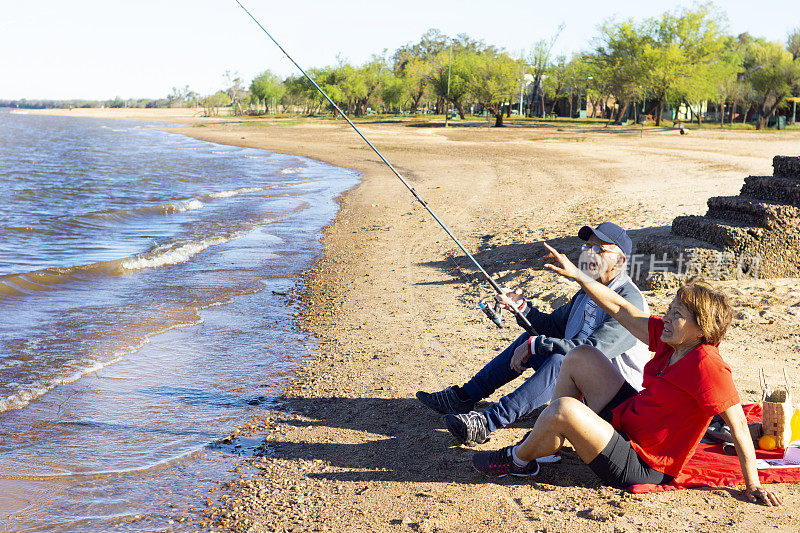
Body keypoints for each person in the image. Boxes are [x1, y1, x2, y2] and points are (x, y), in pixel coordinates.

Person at [471, 242, 783, 507]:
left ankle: (518, 461)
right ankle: (550, 440)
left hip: (643, 464)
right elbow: (622, 310)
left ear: (701, 329)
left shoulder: (708, 365)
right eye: (670, 309)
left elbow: (739, 425)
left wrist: (752, 484)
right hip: (627, 424)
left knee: (565, 409)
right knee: (581, 356)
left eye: (678, 315)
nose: (668, 317)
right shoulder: (671, 339)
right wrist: (578, 275)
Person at [416, 222, 650, 446]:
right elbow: (552, 327)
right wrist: (523, 308)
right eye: (587, 246)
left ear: (620, 260)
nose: (589, 253)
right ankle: (464, 397)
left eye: (598, 248)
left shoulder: (630, 301)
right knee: (532, 343)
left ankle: (487, 423)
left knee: (560, 358)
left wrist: (536, 344)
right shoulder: (588, 291)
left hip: (616, 400)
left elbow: (591, 351)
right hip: (582, 385)